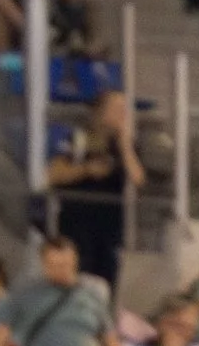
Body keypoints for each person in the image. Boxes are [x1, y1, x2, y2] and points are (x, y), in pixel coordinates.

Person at [46, 87, 142, 287]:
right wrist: (86, 170)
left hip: (110, 226)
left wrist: (125, 144)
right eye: (117, 108)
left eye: (125, 109)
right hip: (78, 222)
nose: (123, 114)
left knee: (105, 282)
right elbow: (53, 174)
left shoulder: (127, 146)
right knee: (77, 279)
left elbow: (138, 179)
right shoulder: (79, 139)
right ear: (100, 112)